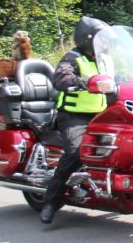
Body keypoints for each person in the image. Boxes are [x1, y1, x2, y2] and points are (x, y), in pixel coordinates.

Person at [39, 16, 111, 224]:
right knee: (76, 151)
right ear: (88, 38)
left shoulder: (104, 59)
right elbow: (61, 77)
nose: (104, 43)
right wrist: (79, 81)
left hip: (102, 113)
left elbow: (121, 76)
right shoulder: (72, 58)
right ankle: (52, 201)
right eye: (100, 39)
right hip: (74, 115)